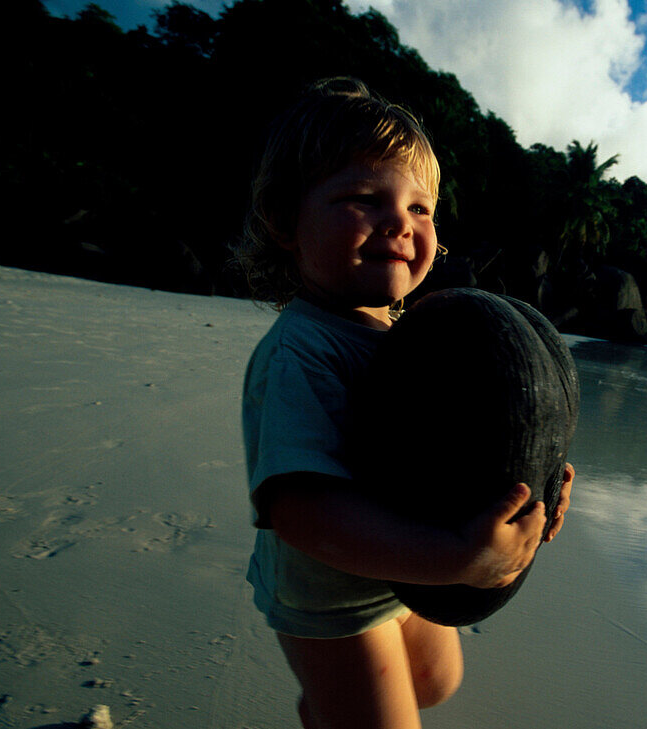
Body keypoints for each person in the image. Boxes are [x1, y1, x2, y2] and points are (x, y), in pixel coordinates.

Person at [235, 77, 575, 729]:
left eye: (421, 208)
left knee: (438, 680)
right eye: (365, 198)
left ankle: (329, 709)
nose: (400, 221)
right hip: (330, 588)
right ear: (284, 219)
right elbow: (301, 512)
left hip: (403, 559)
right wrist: (452, 558)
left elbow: (455, 436)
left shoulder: (404, 335)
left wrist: (536, 479)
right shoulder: (301, 353)